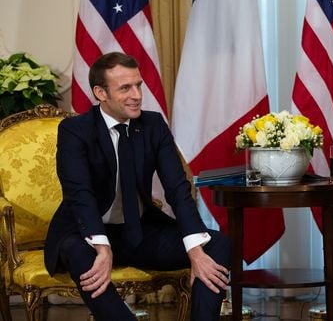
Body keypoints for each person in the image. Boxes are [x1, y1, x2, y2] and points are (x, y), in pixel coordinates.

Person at [44, 52, 230, 321]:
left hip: (138, 233)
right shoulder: (75, 130)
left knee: (216, 243)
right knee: (78, 251)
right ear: (100, 93)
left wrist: (195, 249)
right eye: (125, 88)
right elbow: (79, 194)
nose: (137, 95)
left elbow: (178, 188)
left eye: (138, 85)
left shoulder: (153, 125)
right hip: (88, 233)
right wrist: (102, 246)